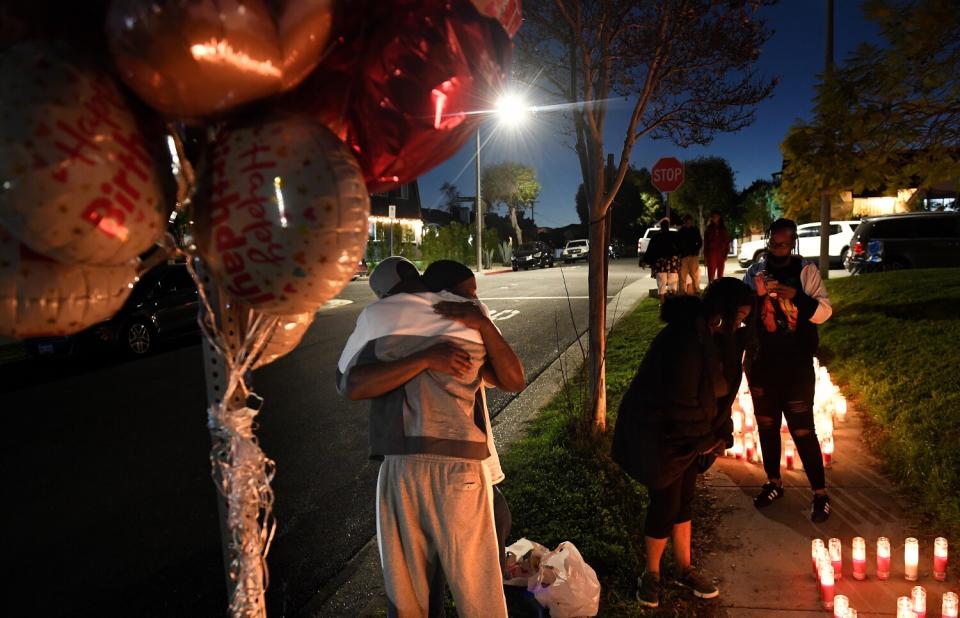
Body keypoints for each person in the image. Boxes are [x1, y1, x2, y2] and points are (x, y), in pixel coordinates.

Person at [336, 257, 525, 618]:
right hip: (460, 469)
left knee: (410, 594)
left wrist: (423, 357)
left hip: (405, 468)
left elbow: (348, 383)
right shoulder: (469, 314)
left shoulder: (379, 317)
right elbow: (514, 380)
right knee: (480, 593)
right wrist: (429, 356)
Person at [611, 279, 754, 608]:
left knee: (684, 500)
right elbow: (680, 400)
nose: (739, 324)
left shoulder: (717, 338)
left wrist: (720, 430)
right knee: (665, 502)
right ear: (721, 311)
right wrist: (705, 439)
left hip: (689, 435)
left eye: (745, 318)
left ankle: (684, 568)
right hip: (659, 433)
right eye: (737, 316)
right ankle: (651, 574)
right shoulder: (685, 339)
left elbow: (720, 394)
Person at [420, 260, 514, 582]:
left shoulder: (473, 323)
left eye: (476, 294)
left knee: (498, 521)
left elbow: (512, 378)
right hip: (447, 464)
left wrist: (484, 326)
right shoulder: (422, 332)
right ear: (445, 299)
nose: (475, 302)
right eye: (468, 295)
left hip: (474, 461)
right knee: (441, 564)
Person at [743, 218, 833, 523]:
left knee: (803, 429)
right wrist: (754, 298)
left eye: (784, 244)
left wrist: (796, 297)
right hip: (762, 364)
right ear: (768, 240)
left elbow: (823, 312)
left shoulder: (805, 271)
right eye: (773, 243)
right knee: (767, 426)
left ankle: (820, 493)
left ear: (792, 243)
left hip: (795, 365)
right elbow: (743, 315)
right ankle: (774, 482)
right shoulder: (756, 271)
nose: (778, 249)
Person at [643, 218, 680, 305]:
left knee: (661, 284)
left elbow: (650, 251)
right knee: (673, 284)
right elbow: (680, 247)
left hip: (660, 263)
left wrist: (645, 261)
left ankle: (663, 303)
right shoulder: (674, 235)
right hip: (672, 262)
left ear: (661, 226)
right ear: (668, 226)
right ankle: (673, 303)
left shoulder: (656, 237)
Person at [677, 214, 703, 295]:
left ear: (691, 222)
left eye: (689, 222)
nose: (688, 223)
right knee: (682, 275)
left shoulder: (695, 230)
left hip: (693, 255)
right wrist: (680, 252)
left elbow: (700, 242)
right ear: (684, 222)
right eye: (687, 222)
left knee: (694, 274)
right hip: (684, 256)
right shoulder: (681, 231)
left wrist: (696, 250)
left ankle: (697, 289)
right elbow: (677, 243)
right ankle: (682, 291)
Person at [703, 210, 730, 283]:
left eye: (717, 216)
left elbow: (727, 241)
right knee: (711, 273)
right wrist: (705, 257)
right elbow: (706, 243)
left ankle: (719, 289)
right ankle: (711, 288)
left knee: (720, 274)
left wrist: (726, 253)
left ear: (719, 217)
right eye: (714, 216)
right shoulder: (708, 229)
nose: (715, 218)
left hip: (721, 253)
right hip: (711, 253)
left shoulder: (723, 229)